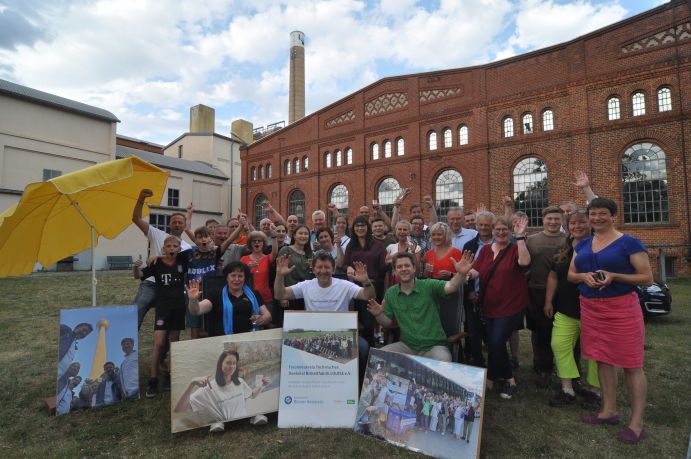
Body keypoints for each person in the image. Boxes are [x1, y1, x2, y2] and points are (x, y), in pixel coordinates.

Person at [568, 197, 652, 444]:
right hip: (591, 309)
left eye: (602, 213)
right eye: (593, 214)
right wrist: (583, 276)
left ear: (613, 215)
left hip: (622, 309)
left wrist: (615, 275)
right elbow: (571, 275)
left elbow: (647, 277)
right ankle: (608, 411)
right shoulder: (582, 244)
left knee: (631, 364)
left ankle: (637, 424)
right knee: (603, 359)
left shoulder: (629, 243)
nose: (597, 218)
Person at [274, 253, 374, 377]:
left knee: (363, 347)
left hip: (341, 336)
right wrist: (279, 276)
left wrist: (366, 282)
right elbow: (280, 294)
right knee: (288, 347)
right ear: (313, 269)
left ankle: (355, 385)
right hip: (312, 335)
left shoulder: (344, 285)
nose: (323, 271)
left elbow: (368, 295)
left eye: (327, 267)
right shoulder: (306, 285)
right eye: (319, 267)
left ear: (333, 269)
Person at [367, 251, 474, 362]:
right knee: (378, 358)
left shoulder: (428, 285)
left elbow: (451, 286)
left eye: (407, 265)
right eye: (399, 266)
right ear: (395, 271)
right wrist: (379, 314)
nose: (403, 269)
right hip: (407, 346)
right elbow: (387, 322)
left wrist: (461, 274)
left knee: (443, 362)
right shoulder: (391, 293)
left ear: (414, 268)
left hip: (434, 346)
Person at [465, 215, 530, 399]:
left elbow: (524, 263)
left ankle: (509, 380)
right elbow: (476, 271)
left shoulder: (516, 247)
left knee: (495, 341)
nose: (501, 232)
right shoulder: (485, 250)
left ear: (510, 231)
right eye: (497, 229)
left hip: (512, 305)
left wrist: (519, 238)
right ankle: (493, 377)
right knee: (496, 343)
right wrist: (464, 273)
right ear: (492, 231)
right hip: (490, 305)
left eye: (505, 229)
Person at [545, 210, 600, 407]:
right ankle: (567, 388)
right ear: (568, 227)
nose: (577, 226)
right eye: (573, 223)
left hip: (593, 309)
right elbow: (553, 276)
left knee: (595, 352)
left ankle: (595, 390)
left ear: (590, 224)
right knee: (559, 345)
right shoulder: (564, 249)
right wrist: (548, 301)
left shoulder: (599, 245)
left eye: (581, 222)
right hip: (565, 308)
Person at [133, 235, 190, 398]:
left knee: (174, 343)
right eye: (169, 246)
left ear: (179, 249)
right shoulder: (156, 264)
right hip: (163, 308)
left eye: (175, 246)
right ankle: (153, 379)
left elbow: (197, 248)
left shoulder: (182, 262)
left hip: (178, 307)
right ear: (164, 248)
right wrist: (136, 267)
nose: (172, 249)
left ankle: (170, 376)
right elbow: (138, 275)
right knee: (158, 344)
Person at [131, 189, 192, 329]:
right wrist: (141, 199)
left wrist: (158, 256)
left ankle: (164, 349)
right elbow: (136, 218)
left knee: (167, 324)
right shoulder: (156, 234)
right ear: (169, 224)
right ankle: (128, 343)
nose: (177, 225)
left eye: (180, 222)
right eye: (174, 222)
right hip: (151, 284)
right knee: (135, 312)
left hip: (171, 288)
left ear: (184, 226)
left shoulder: (187, 247)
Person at [174, 350, 272, 432]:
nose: (232, 366)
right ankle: (218, 423)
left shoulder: (240, 382)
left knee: (257, 414)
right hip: (224, 423)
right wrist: (192, 383)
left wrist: (263, 385)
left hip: (242, 419)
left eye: (234, 363)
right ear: (220, 364)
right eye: (228, 362)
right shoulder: (209, 387)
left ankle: (254, 418)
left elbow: (252, 395)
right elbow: (179, 410)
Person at [526, 206, 567, 387]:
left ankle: (565, 367)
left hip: (564, 291)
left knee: (564, 332)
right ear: (543, 220)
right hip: (537, 289)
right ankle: (542, 366)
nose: (552, 222)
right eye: (549, 218)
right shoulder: (532, 240)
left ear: (562, 220)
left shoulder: (569, 239)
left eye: (556, 219)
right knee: (540, 331)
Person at [187, 261, 271, 337]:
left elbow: (267, 316)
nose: (236, 279)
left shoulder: (254, 294)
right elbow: (196, 311)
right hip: (222, 339)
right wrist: (193, 300)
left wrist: (263, 319)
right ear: (227, 278)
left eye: (240, 276)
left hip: (249, 337)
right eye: (233, 275)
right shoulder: (216, 294)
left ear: (245, 278)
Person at [342, 216, 388, 345]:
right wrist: (349, 267)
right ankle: (356, 349)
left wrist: (388, 263)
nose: (360, 228)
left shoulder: (378, 246)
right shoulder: (351, 245)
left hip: (371, 287)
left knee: (368, 322)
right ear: (353, 228)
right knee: (356, 320)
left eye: (363, 225)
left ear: (368, 228)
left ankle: (369, 349)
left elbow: (382, 269)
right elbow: (345, 264)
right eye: (357, 225)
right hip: (355, 287)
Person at [276, 225, 313, 324]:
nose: (303, 236)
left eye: (306, 234)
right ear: (294, 236)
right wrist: (283, 296)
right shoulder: (286, 250)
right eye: (300, 233)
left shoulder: (310, 253)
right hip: (289, 294)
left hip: (305, 295)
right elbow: (280, 272)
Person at [240, 231, 275, 317]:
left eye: (259, 241)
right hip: (248, 296)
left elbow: (275, 253)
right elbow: (238, 276)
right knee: (251, 324)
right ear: (250, 243)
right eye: (254, 241)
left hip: (265, 297)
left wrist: (274, 237)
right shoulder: (244, 259)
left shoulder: (267, 258)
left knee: (267, 323)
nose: (257, 242)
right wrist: (247, 268)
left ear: (263, 243)